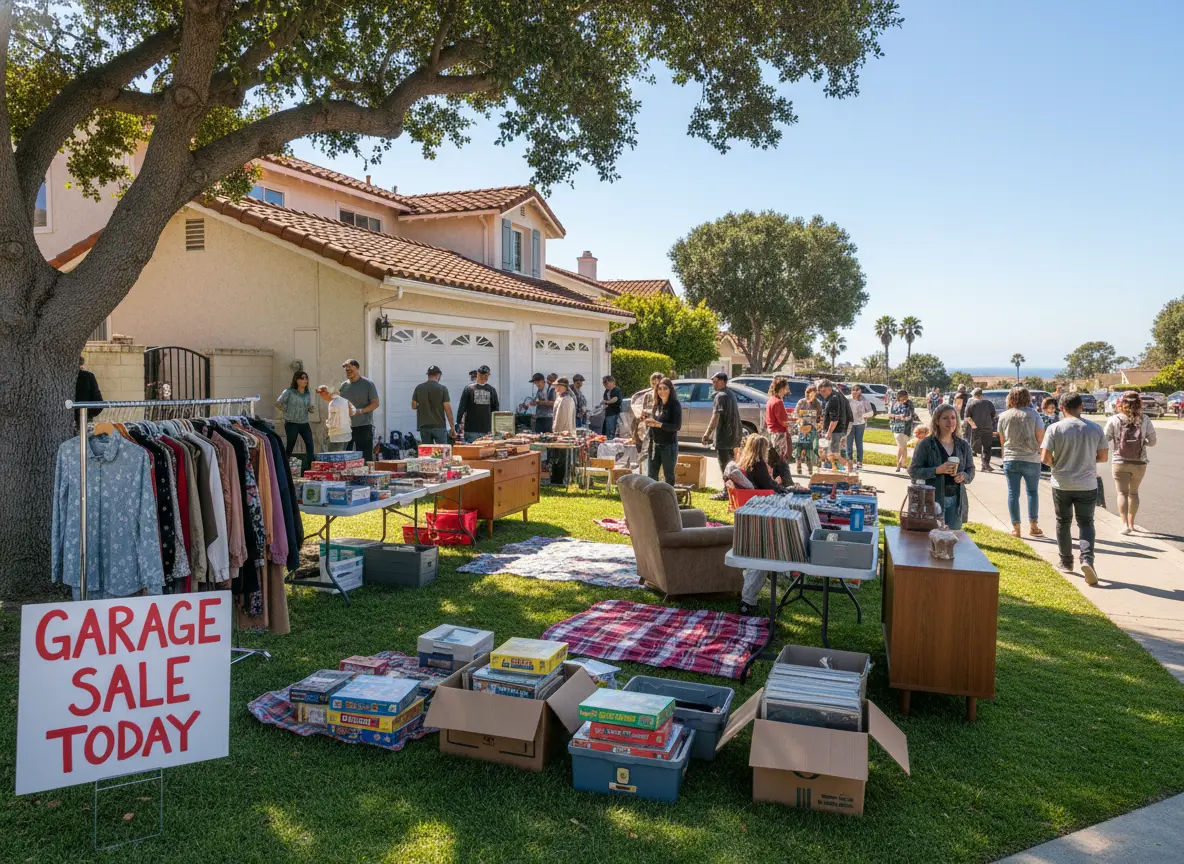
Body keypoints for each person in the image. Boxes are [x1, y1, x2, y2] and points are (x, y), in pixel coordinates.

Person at [1041, 394, 1108, 585]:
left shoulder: (1054, 428)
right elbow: (1103, 457)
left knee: (1063, 522)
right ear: (1081, 407)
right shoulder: (1095, 428)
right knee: (1086, 523)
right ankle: (1087, 559)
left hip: (1062, 483)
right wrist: (1086, 460)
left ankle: (1066, 561)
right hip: (1087, 484)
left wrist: (1056, 464)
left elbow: (1044, 457)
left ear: (1062, 408)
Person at [909, 403, 976, 529]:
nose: (950, 422)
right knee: (930, 537)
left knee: (953, 537)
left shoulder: (963, 445)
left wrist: (964, 476)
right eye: (945, 418)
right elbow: (913, 471)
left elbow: (971, 470)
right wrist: (937, 470)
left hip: (956, 502)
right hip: (932, 501)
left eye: (953, 418)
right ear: (937, 421)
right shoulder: (926, 444)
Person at [1104, 391, 1158, 535]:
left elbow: (1104, 439)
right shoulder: (1145, 419)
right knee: (1133, 493)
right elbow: (1153, 441)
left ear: (1121, 404)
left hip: (1119, 461)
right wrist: (1144, 442)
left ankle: (1124, 525)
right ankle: (1132, 524)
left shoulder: (1114, 419)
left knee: (1121, 493)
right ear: (1139, 404)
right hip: (1139, 462)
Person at [996, 386, 1046, 538]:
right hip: (1031, 459)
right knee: (1032, 492)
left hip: (1011, 458)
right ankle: (1033, 526)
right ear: (1028, 398)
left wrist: (1004, 457)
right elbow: (1041, 437)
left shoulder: (1004, 416)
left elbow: (1002, 440)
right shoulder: (1034, 414)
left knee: (1013, 493)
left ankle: (1016, 528)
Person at [316, 359, 379, 456]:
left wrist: (360, 411)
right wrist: (326, 395)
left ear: (357, 368)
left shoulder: (368, 384)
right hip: (346, 428)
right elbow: (340, 401)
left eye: (350, 368)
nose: (348, 371)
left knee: (365, 457)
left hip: (363, 426)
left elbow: (375, 403)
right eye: (346, 370)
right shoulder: (344, 385)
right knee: (345, 456)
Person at [701, 373, 743, 498]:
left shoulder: (720, 396)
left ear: (722, 382)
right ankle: (732, 489)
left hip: (724, 436)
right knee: (731, 465)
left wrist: (707, 434)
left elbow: (715, 416)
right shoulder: (730, 394)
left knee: (725, 465)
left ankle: (726, 492)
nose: (713, 384)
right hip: (734, 435)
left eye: (715, 381)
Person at [644, 377, 682, 484]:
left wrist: (659, 424)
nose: (662, 391)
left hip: (668, 445)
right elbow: (654, 423)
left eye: (665, 388)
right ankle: (653, 493)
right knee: (651, 474)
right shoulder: (657, 404)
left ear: (670, 389)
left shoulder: (674, 404)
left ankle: (668, 494)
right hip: (654, 444)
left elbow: (677, 426)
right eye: (659, 389)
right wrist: (648, 422)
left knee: (668, 475)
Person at [277, 370, 315, 472]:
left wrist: (311, 408)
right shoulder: (289, 392)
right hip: (292, 423)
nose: (305, 380)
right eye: (302, 378)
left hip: (304, 423)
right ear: (296, 380)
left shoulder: (308, 393)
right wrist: (287, 410)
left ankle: (307, 468)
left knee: (310, 445)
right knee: (290, 446)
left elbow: (311, 408)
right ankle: (284, 468)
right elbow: (279, 403)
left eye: (306, 378)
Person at [411, 365, 454, 444]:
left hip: (424, 426)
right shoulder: (442, 389)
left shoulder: (419, 388)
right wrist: (452, 427)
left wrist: (422, 404)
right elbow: (447, 409)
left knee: (427, 450)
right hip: (439, 426)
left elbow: (413, 406)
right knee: (442, 450)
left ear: (428, 375)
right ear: (438, 375)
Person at [455, 365, 499, 442]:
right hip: (474, 430)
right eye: (482, 375)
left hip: (484, 430)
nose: (484, 377)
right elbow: (462, 407)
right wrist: (458, 422)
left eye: (485, 375)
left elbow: (495, 410)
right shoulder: (469, 389)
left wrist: (458, 422)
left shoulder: (491, 390)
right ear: (477, 374)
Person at [818, 379, 853, 473]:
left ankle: (842, 468)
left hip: (835, 431)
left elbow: (834, 419)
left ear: (829, 389)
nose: (822, 393)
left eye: (823, 391)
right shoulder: (837, 396)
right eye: (820, 391)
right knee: (832, 454)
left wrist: (829, 433)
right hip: (839, 429)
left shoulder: (833, 399)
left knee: (832, 455)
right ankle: (839, 468)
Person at [631, 372, 665, 470]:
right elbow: (643, 410)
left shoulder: (665, 395)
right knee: (645, 447)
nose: (655, 386)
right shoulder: (648, 395)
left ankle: (657, 467)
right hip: (648, 424)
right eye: (653, 383)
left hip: (659, 424)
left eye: (657, 383)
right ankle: (644, 467)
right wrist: (642, 416)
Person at [550, 377, 577, 485]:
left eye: (557, 386)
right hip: (559, 432)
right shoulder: (560, 398)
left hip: (564, 433)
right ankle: (556, 478)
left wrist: (557, 432)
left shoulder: (567, 400)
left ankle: (560, 479)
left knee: (562, 457)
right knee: (557, 456)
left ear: (563, 387)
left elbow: (561, 419)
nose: (555, 388)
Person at [965, 387, 998, 473]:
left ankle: (982, 465)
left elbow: (967, 417)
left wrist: (974, 426)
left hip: (976, 429)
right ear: (981, 395)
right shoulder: (989, 403)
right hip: (987, 428)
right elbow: (993, 415)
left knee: (975, 447)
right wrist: (989, 423)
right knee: (987, 447)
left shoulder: (971, 404)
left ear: (974, 395)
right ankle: (985, 464)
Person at [794, 384, 823, 475]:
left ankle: (810, 467)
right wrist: (807, 415)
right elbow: (796, 413)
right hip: (801, 428)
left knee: (809, 449)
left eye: (809, 393)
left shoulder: (818, 403)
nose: (807, 394)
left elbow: (819, 417)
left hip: (812, 429)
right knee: (799, 448)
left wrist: (819, 428)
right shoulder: (801, 402)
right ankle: (798, 465)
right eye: (806, 392)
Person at [889, 389, 917, 472]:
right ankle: (899, 465)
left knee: (902, 447)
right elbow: (889, 415)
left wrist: (903, 417)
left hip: (906, 428)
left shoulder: (909, 403)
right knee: (902, 447)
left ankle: (902, 464)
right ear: (899, 397)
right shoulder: (894, 403)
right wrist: (897, 416)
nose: (905, 399)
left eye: (906, 397)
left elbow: (910, 415)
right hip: (896, 427)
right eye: (904, 397)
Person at [846, 384, 873, 470]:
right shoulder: (847, 399)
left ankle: (859, 462)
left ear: (860, 391)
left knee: (859, 443)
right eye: (853, 390)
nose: (855, 391)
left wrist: (864, 415)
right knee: (848, 444)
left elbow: (871, 412)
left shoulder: (864, 400)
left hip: (860, 424)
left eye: (857, 390)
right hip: (849, 424)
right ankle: (849, 461)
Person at [765, 377, 792, 465]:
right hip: (778, 433)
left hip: (771, 432)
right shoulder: (778, 402)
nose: (787, 390)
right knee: (780, 459)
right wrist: (794, 422)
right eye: (786, 388)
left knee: (772, 459)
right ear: (782, 389)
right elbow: (783, 422)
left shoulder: (771, 400)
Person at [74, 355, 103, 421]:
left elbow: (98, 402)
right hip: (83, 417)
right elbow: (98, 401)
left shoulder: (87, 376)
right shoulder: (88, 376)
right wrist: (88, 414)